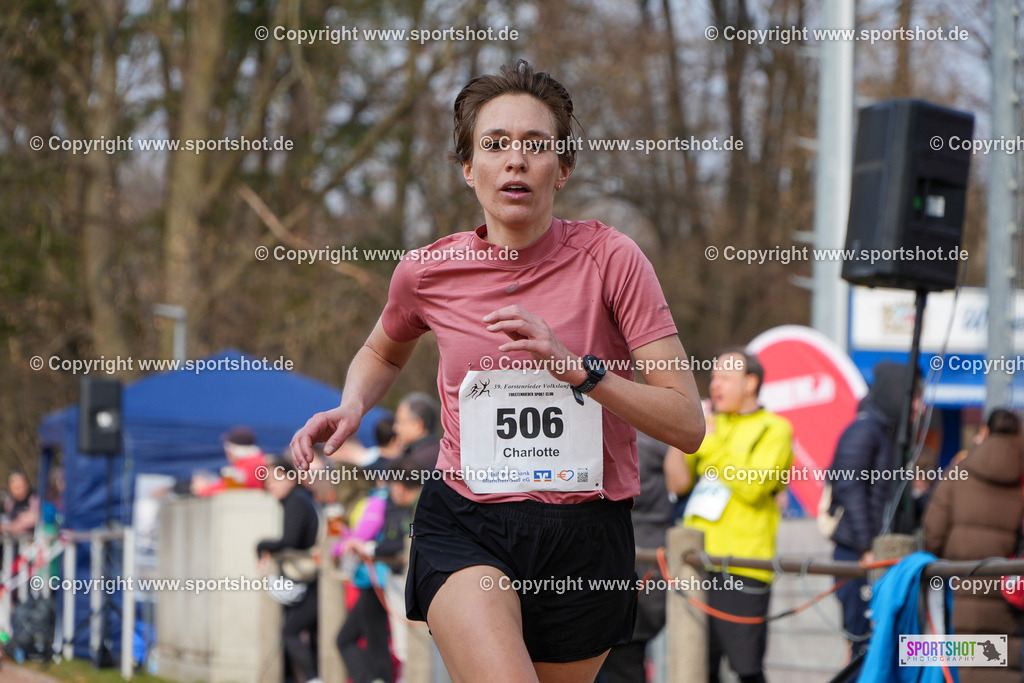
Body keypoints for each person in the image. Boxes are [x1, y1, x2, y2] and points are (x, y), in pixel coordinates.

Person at [291, 58, 705, 682]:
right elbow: (383, 349)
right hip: (467, 520)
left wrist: (580, 371)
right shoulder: (427, 272)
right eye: (496, 144)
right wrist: (353, 406)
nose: (516, 160)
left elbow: (687, 424)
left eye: (536, 146)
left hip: (587, 533)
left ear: (562, 169)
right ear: (468, 168)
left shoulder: (613, 261)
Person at [666, 348, 793, 683]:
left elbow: (754, 486)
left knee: (746, 668)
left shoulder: (775, 429)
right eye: (713, 377)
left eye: (724, 377)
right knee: (696, 666)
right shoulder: (709, 423)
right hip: (696, 563)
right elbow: (678, 483)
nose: (715, 385)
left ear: (750, 383)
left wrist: (709, 444)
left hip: (745, 565)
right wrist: (681, 434)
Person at [826, 360, 920, 658]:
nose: (919, 405)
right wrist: (868, 545)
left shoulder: (889, 434)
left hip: (877, 552)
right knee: (863, 646)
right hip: (859, 553)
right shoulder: (865, 429)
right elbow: (849, 488)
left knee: (878, 647)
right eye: (915, 397)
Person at [923, 408, 1024, 683]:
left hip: (959, 600)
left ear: (985, 432)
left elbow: (931, 538)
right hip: (1009, 609)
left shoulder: (958, 473)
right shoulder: (1021, 480)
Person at [337, 457, 423, 683]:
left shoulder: (419, 509)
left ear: (399, 486)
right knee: (396, 647)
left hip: (405, 585)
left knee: (404, 647)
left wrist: (366, 547)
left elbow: (405, 542)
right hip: (392, 582)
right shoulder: (401, 508)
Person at [598, 432, 675, 682]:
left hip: (639, 567)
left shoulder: (652, 439)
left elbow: (680, 483)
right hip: (608, 565)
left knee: (624, 659)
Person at [257, 459, 321, 683]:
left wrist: (262, 545)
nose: (270, 485)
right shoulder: (302, 498)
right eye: (267, 481)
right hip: (309, 579)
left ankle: (313, 679)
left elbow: (290, 540)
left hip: (307, 578)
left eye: (275, 479)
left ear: (291, 477)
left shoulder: (296, 501)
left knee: (291, 632)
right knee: (309, 633)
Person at [195, 426, 268, 496]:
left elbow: (225, 489)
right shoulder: (262, 460)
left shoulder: (244, 468)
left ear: (231, 451)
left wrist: (203, 490)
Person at [393, 392, 441, 470]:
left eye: (400, 422)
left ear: (417, 425)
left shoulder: (414, 465)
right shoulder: (445, 455)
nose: (395, 428)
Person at [2, 471, 39, 536]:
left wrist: (8, 527)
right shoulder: (9, 503)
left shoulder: (34, 499)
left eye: (20, 486)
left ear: (26, 485)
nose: (19, 490)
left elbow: (34, 519)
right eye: (15, 487)